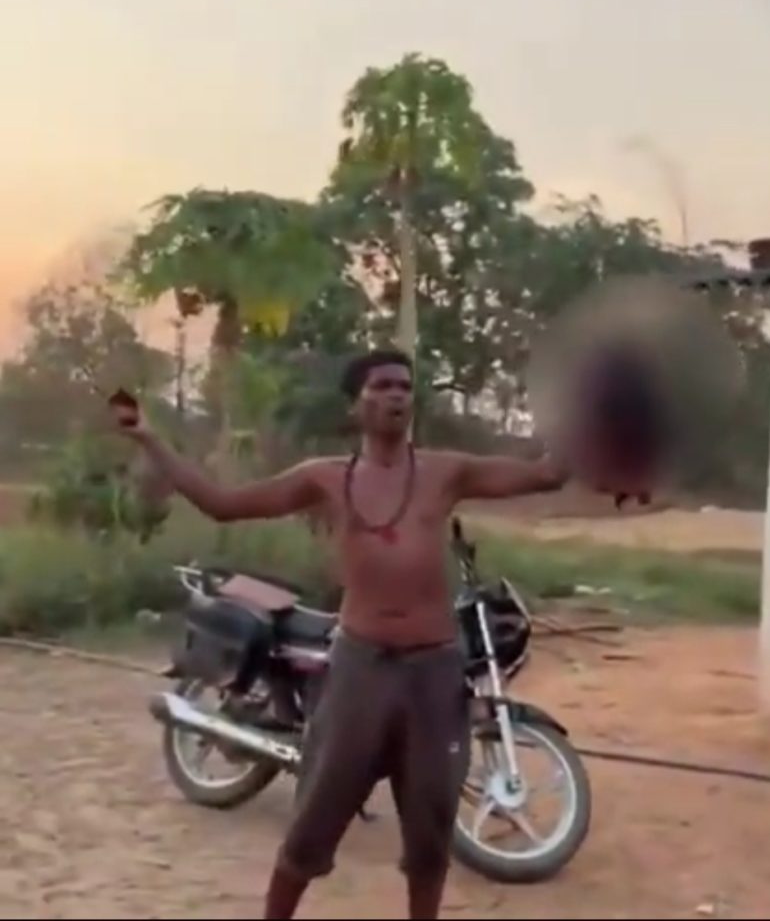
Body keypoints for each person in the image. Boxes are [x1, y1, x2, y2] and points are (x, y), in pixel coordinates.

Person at [113, 348, 569, 920]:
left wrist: (593, 415)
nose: (397, 394)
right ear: (356, 405)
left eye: (404, 385)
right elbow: (222, 505)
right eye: (382, 386)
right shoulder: (325, 479)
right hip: (361, 670)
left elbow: (548, 472)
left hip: (434, 673)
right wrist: (148, 437)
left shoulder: (446, 471)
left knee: (429, 832)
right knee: (313, 823)